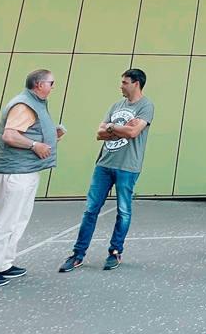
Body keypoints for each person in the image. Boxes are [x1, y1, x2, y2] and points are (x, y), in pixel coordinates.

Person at [0, 69, 65, 288]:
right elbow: (10, 135)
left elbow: (29, 132)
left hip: (27, 170)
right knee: (6, 220)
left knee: (18, 219)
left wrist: (51, 136)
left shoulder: (35, 104)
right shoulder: (24, 105)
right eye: (51, 82)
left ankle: (4, 263)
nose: (53, 86)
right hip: (16, 172)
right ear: (39, 85)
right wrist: (35, 145)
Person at [59, 69, 154, 273]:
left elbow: (134, 132)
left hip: (127, 166)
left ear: (136, 83)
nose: (121, 86)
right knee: (91, 209)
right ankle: (78, 254)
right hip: (104, 164)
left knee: (123, 210)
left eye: (124, 82)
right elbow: (99, 133)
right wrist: (115, 127)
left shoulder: (146, 106)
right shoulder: (115, 106)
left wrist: (111, 128)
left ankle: (115, 251)